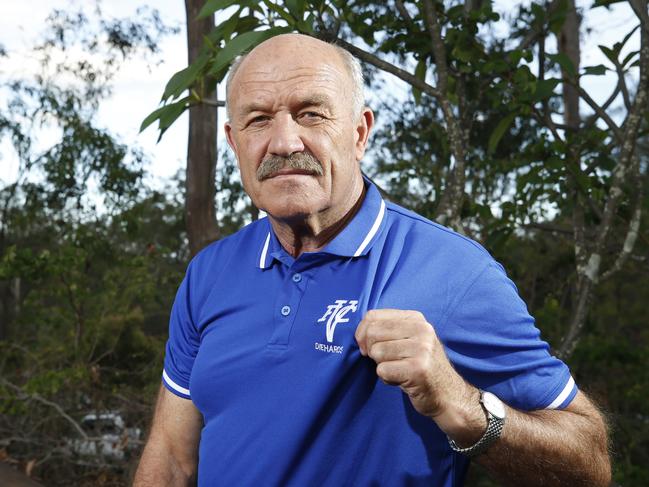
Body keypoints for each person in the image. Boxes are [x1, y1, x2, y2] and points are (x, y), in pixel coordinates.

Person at [133, 34, 610, 486]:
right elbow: (173, 458)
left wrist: (462, 406)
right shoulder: (209, 274)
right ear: (235, 143)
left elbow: (590, 464)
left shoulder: (454, 273)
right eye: (258, 119)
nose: (283, 142)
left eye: (311, 114)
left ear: (359, 133)